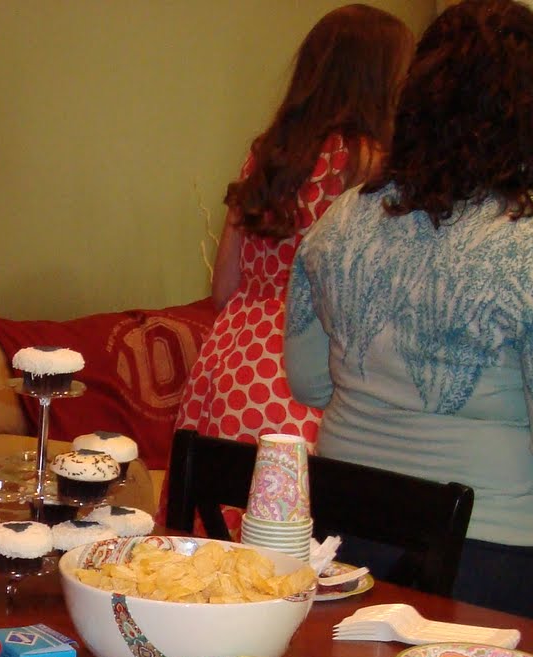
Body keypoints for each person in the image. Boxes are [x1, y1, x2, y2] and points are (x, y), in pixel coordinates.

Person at [283, 0, 533, 630]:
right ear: (529, 124)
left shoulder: (339, 224)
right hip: (493, 562)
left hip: (345, 542)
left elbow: (307, 382)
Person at [162, 4, 413, 536]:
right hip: (309, 366)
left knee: (218, 534)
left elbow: (225, 286)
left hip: (232, 358)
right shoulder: (371, 163)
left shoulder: (269, 155)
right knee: (298, 546)